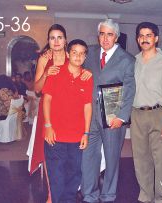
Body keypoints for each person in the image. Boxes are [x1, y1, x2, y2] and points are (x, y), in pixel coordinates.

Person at [30, 24, 91, 203]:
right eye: (52, 38)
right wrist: (47, 74)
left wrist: (86, 71)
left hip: (70, 114)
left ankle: (63, 194)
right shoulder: (44, 59)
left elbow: (80, 69)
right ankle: (52, 194)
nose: (56, 41)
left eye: (59, 37)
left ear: (65, 40)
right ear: (48, 41)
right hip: (48, 111)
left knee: (70, 161)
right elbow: (38, 90)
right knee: (50, 153)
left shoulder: (72, 56)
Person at [81, 19, 135, 203]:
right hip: (89, 114)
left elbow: (130, 91)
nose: (105, 38)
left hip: (113, 114)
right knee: (88, 156)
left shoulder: (127, 59)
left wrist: (122, 116)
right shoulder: (89, 53)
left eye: (109, 34)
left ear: (116, 37)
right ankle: (89, 194)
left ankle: (108, 194)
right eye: (102, 34)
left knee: (112, 158)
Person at [131, 22, 162, 203]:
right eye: (141, 36)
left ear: (156, 38)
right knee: (141, 159)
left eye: (148, 35)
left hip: (160, 114)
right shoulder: (132, 61)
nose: (144, 39)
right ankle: (146, 196)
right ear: (137, 39)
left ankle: (161, 199)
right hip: (137, 115)